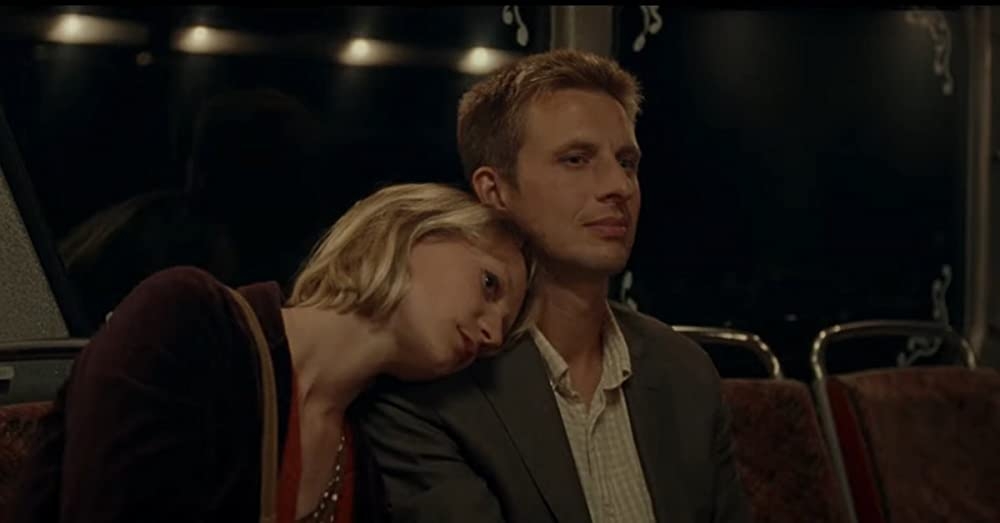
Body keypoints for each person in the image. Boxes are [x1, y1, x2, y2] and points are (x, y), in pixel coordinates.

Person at [361, 50, 751, 522]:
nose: (619, 186)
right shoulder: (434, 383)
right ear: (495, 191)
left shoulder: (684, 371)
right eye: (576, 159)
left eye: (627, 162)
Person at [14, 183, 533, 523]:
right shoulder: (188, 320)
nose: (490, 335)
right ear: (413, 230)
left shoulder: (362, 467)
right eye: (489, 284)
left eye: (503, 331)